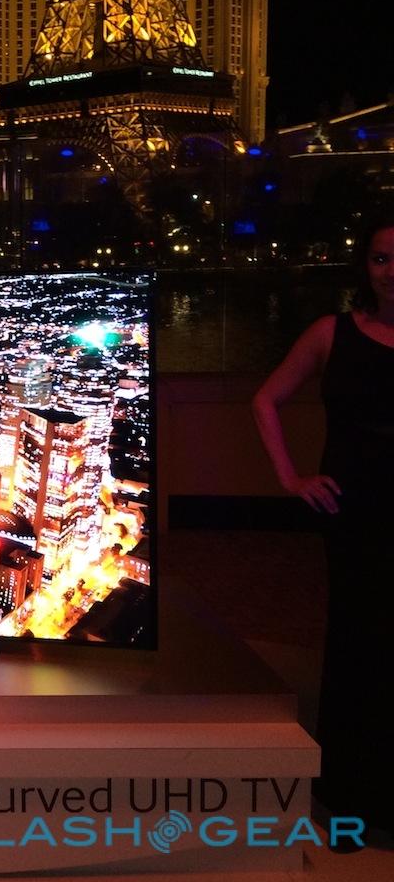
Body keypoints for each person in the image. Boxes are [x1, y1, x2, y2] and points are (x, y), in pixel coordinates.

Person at [253, 214, 394, 847]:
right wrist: (291, 478)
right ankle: (348, 803)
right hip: (354, 511)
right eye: (380, 259)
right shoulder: (332, 332)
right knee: (356, 646)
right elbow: (266, 399)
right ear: (364, 266)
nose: (390, 272)